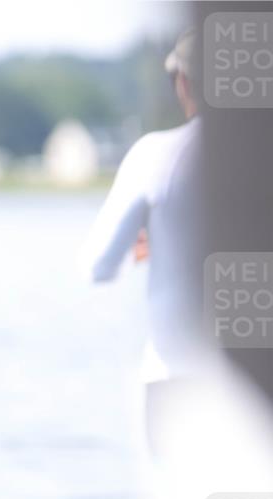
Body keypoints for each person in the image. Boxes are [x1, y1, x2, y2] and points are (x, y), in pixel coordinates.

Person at [78, 29, 218, 452]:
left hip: (176, 380)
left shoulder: (154, 154)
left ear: (184, 82)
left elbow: (97, 267)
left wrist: (158, 238)